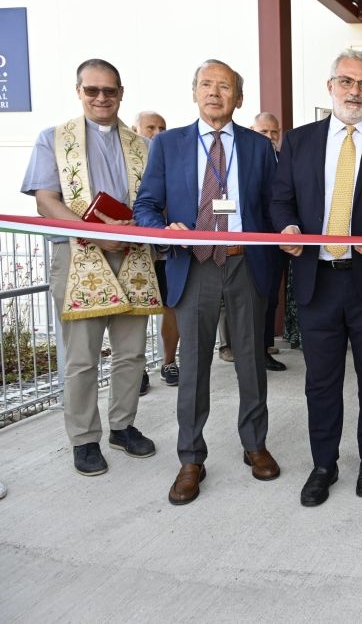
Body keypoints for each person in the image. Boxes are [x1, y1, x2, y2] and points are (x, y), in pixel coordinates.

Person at [271, 49, 362, 507]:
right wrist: (287, 227)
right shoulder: (299, 141)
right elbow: (281, 199)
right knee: (320, 381)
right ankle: (323, 464)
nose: (355, 92)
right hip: (318, 280)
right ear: (331, 86)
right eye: (348, 82)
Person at [135, 59, 281, 505]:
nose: (214, 93)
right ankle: (191, 458)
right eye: (206, 84)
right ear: (194, 92)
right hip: (193, 263)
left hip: (244, 263)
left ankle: (254, 444)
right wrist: (164, 230)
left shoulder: (258, 147)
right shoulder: (169, 144)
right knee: (194, 365)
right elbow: (146, 205)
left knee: (251, 360)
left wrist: (288, 232)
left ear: (239, 97)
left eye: (224, 86)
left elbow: (275, 204)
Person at [21, 58, 161, 476]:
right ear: (78, 91)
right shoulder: (53, 138)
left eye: (109, 90)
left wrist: (138, 226)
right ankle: (84, 439)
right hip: (79, 254)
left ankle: (122, 426)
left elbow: (154, 198)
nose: (101, 98)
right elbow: (45, 200)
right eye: (92, 90)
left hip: (133, 254)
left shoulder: (142, 145)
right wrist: (96, 234)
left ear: (121, 93)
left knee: (131, 353)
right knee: (82, 358)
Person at [131, 110, 170, 393]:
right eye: (150, 128)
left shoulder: (169, 154)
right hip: (133, 249)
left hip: (165, 249)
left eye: (161, 128)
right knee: (136, 313)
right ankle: (138, 369)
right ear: (136, 130)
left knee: (171, 306)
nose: (156, 133)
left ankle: (169, 362)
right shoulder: (130, 157)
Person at [250, 112, 287, 372]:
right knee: (251, 299)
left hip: (279, 240)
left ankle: (264, 349)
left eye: (274, 132)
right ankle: (248, 353)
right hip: (251, 241)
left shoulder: (286, 160)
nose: (270, 137)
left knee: (271, 296)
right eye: (263, 132)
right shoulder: (243, 160)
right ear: (252, 131)